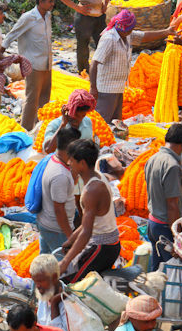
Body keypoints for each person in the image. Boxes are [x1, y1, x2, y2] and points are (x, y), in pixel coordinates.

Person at [90, 10, 174, 122]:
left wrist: (166, 32)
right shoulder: (109, 39)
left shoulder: (127, 34)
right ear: (123, 28)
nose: (132, 31)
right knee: (102, 120)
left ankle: (112, 138)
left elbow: (144, 36)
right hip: (106, 89)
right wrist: (93, 88)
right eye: (130, 30)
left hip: (118, 87)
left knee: (116, 122)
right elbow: (94, 63)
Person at [58, 139, 120, 283]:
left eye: (72, 161)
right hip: (108, 245)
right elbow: (88, 223)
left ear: (82, 164)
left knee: (70, 286)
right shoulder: (98, 176)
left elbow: (87, 232)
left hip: (102, 248)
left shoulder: (92, 190)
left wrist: (65, 262)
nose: (69, 164)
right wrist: (71, 240)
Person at [1, 0, 55, 130]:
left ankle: (39, 127)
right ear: (40, 1)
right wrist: (1, 51)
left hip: (46, 63)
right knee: (32, 98)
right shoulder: (29, 18)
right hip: (33, 63)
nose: (52, 4)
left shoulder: (48, 17)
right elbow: (13, 33)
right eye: (49, 1)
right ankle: (25, 130)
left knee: (45, 98)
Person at [29, 254, 90, 331]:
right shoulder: (44, 293)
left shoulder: (70, 300)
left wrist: (54, 305)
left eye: (41, 281)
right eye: (35, 282)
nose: (38, 286)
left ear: (55, 277)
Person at [144, 123, 182, 272]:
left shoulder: (152, 159)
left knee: (157, 272)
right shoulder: (172, 166)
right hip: (164, 227)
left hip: (152, 223)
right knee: (174, 273)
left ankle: (154, 295)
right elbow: (172, 205)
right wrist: (177, 236)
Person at [37, 127, 81, 256]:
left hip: (46, 223)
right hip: (56, 229)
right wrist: (70, 237)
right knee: (62, 266)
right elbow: (59, 210)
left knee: (45, 260)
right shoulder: (60, 175)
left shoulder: (54, 160)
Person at [57, 0, 113, 75]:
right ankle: (84, 74)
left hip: (100, 16)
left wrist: (105, 2)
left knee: (104, 45)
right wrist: (77, 8)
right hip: (84, 18)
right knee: (82, 49)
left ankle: (104, 74)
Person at [43, 89, 95, 154]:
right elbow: (48, 150)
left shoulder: (87, 122)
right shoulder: (55, 124)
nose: (77, 119)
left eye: (81, 116)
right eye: (75, 115)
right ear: (68, 110)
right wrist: (63, 125)